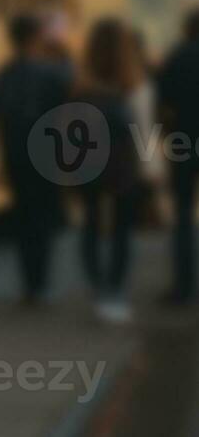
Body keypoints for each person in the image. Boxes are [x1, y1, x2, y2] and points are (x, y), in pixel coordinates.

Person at [0, 12, 71, 305]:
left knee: (22, 216)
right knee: (42, 220)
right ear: (36, 38)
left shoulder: (3, 74)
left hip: (14, 154)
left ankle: (28, 285)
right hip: (45, 155)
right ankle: (40, 284)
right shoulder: (51, 74)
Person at [71, 17, 149, 325]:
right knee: (121, 232)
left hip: (88, 167)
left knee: (91, 225)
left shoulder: (81, 88)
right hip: (121, 169)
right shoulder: (128, 89)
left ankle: (99, 286)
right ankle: (113, 292)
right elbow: (139, 134)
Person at [157, 9, 199, 305]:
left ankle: (183, 287)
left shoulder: (178, 56)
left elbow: (162, 101)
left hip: (183, 142)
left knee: (183, 214)